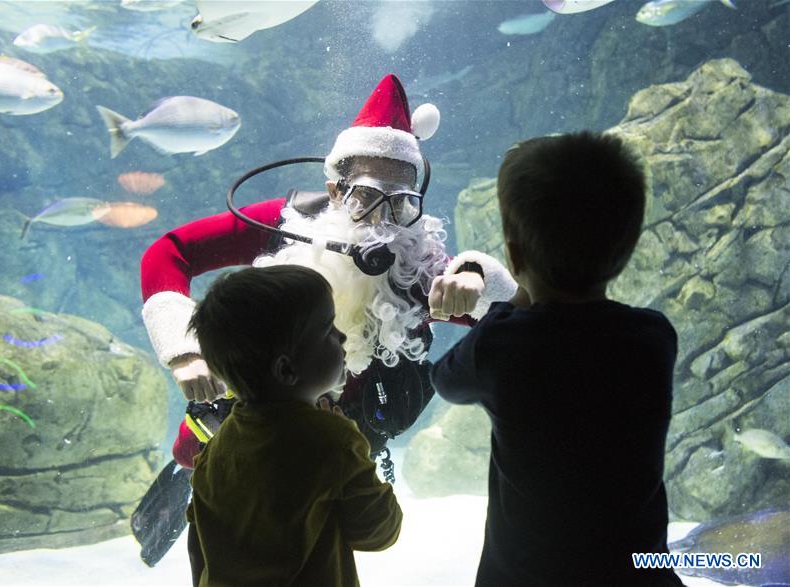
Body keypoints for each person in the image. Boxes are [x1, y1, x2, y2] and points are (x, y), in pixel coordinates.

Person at [140, 73, 517, 472]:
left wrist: (475, 276)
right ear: (337, 190)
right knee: (200, 466)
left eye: (401, 204)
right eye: (367, 197)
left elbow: (514, 311)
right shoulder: (285, 224)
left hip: (340, 463)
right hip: (232, 436)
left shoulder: (415, 266)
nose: (383, 223)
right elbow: (169, 253)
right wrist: (184, 354)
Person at [430, 131, 684, 586]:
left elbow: (445, 380)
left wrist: (506, 297)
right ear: (625, 250)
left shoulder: (500, 344)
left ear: (513, 252)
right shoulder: (653, 337)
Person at [184, 264, 402, 586]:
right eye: (328, 329)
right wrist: (356, 452)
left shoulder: (218, 446)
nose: (341, 336)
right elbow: (378, 532)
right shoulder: (333, 440)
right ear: (286, 369)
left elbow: (198, 546)